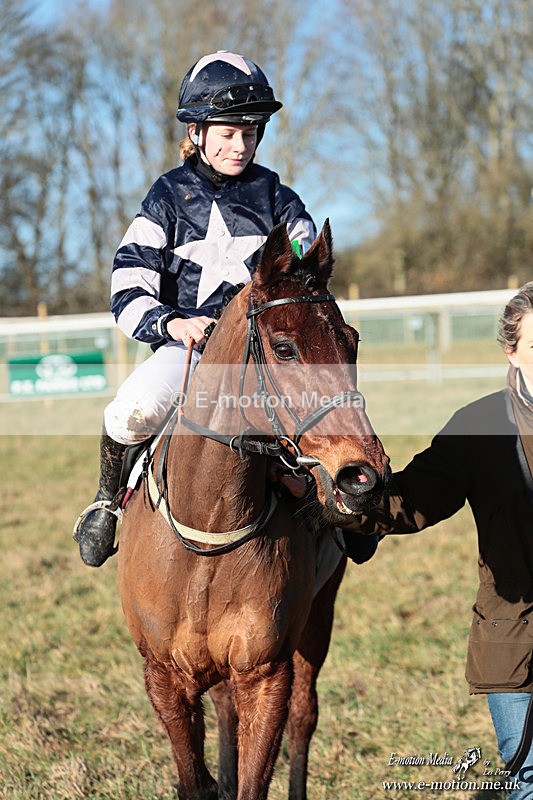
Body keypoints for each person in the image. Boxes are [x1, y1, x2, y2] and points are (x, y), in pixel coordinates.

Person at [75, 51, 317, 568]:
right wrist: (173, 322)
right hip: (188, 350)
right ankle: (106, 502)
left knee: (326, 408)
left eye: (250, 133)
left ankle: (345, 509)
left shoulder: (277, 196)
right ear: (198, 132)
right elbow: (127, 284)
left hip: (263, 357)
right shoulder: (166, 197)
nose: (240, 145)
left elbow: (304, 257)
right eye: (228, 133)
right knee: (131, 410)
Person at [343, 282, 533, 798]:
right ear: (511, 352)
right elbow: (411, 500)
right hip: (516, 637)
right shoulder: (480, 426)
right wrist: (341, 501)